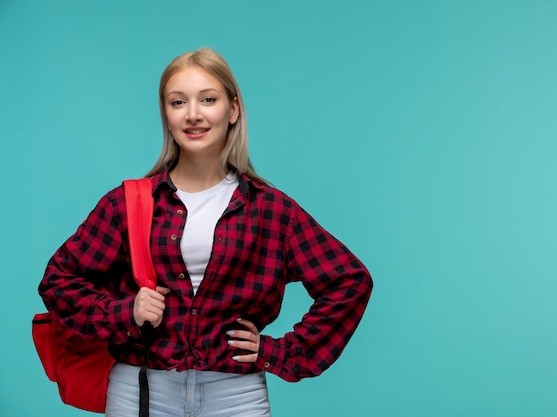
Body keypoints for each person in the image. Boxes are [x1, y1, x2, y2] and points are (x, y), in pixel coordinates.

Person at [39, 47, 373, 417]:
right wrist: (124, 312)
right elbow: (58, 281)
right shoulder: (129, 203)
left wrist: (281, 353)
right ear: (166, 115)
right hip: (142, 390)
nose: (193, 114)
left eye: (208, 99)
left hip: (235, 395)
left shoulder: (270, 209)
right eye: (178, 101)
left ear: (232, 110)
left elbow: (349, 281)